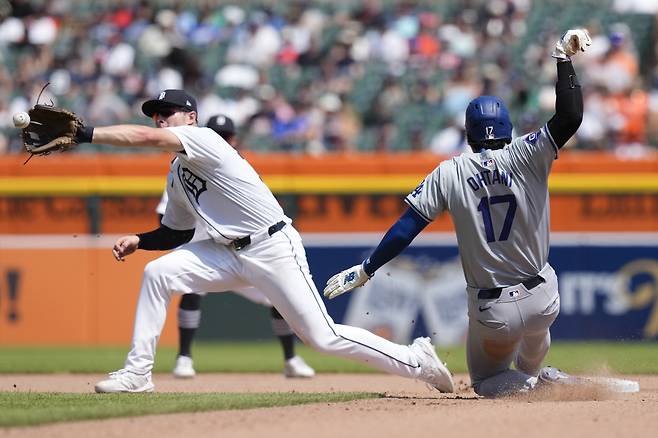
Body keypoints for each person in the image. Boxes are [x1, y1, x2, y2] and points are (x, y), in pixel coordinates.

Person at [88, 89, 454, 393]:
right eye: (156, 114)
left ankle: (416, 360)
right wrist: (140, 238)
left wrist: (86, 134)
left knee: (322, 337)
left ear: (191, 117)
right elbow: (177, 232)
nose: (160, 119)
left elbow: (146, 138)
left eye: (168, 112)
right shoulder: (177, 174)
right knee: (158, 274)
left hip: (272, 246)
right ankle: (138, 373)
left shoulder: (204, 139)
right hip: (227, 252)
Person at [323, 29, 591, 398]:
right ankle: (540, 374)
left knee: (486, 381)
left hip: (493, 308)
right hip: (544, 297)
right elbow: (571, 115)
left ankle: (532, 385)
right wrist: (563, 59)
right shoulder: (529, 153)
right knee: (536, 329)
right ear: (506, 128)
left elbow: (406, 229)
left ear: (469, 133)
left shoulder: (450, 171)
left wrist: (367, 269)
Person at [156, 114, 314, 379]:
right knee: (189, 291)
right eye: (215, 134)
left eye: (225, 136)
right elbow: (165, 216)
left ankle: (291, 358)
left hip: (247, 250)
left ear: (234, 139)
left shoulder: (238, 168)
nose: (220, 140)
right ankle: (184, 357)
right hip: (207, 250)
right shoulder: (183, 168)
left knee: (278, 298)